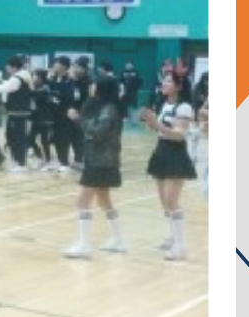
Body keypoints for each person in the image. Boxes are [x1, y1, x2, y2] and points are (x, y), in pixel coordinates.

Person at [63, 70, 129, 258]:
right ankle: (118, 241)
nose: (91, 86)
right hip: (99, 159)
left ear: (101, 88)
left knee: (82, 201)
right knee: (104, 200)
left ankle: (84, 246)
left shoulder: (109, 109)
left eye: (94, 84)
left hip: (101, 161)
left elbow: (98, 132)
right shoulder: (99, 106)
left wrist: (77, 119)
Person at [139, 70, 197, 262]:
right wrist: (150, 123)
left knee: (172, 200)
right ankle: (173, 237)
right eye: (164, 81)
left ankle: (181, 247)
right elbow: (160, 130)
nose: (164, 84)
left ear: (178, 86)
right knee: (165, 201)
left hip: (175, 153)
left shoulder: (184, 107)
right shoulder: (164, 104)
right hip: (161, 151)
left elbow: (179, 134)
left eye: (169, 81)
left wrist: (157, 124)